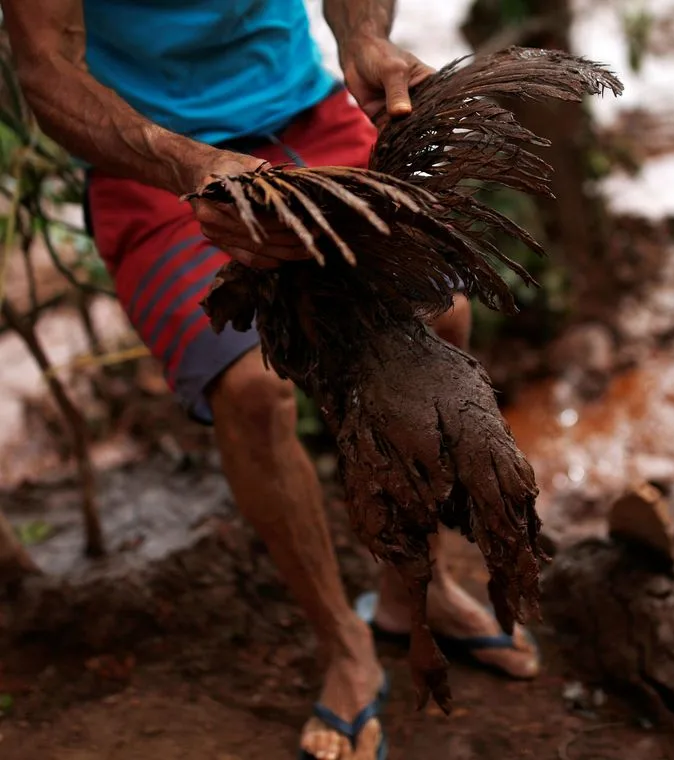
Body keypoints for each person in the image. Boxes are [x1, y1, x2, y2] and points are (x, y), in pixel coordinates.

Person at [0, 1, 541, 759]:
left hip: (307, 114)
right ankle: (342, 644)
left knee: (439, 315)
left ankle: (411, 591)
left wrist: (365, 39)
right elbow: (45, 67)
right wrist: (185, 163)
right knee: (251, 389)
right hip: (152, 162)